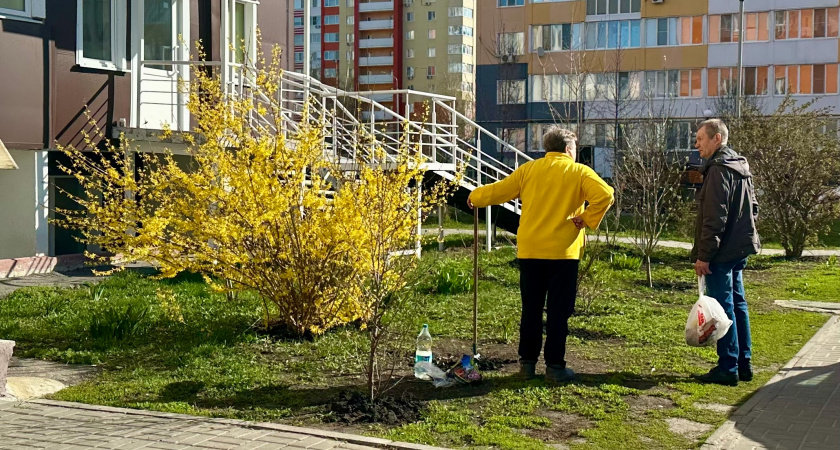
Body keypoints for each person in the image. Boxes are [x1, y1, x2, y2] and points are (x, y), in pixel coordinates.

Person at [467, 127, 614, 382]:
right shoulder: (578, 172)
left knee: (531, 309)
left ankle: (527, 364)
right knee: (559, 311)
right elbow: (606, 195)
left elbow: (500, 190)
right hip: (563, 253)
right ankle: (555, 366)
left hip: (531, 250)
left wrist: (475, 196)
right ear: (569, 149)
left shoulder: (529, 170)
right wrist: (586, 218)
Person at [691, 118, 760, 386]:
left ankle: (728, 367)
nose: (696, 145)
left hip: (720, 253)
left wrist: (704, 256)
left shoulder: (719, 170)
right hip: (737, 250)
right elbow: (754, 208)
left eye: (700, 139)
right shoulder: (740, 166)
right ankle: (744, 363)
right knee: (738, 305)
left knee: (724, 307)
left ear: (716, 139)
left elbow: (714, 218)